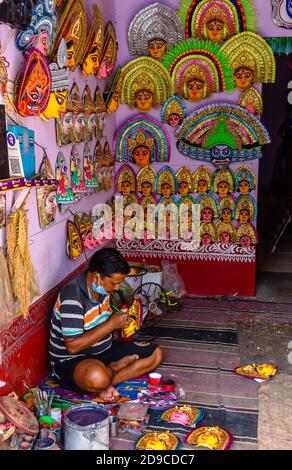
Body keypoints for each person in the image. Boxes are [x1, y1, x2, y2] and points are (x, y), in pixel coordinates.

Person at [49, 248, 163, 401]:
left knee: (155, 354)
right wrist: (111, 324)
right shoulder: (73, 297)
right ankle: (111, 371)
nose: (117, 288)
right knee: (96, 377)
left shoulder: (103, 289)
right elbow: (72, 346)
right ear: (96, 277)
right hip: (73, 360)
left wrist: (123, 323)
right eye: (114, 283)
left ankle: (105, 383)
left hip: (103, 351)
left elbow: (105, 323)